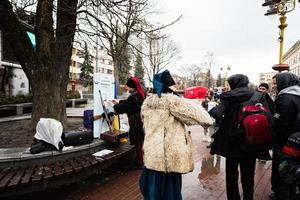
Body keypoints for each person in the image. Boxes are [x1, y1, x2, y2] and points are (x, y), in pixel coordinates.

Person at [139, 70, 213, 200]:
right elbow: (205, 119)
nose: (176, 88)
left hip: (153, 155)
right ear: (168, 86)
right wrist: (190, 103)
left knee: (152, 193)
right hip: (169, 159)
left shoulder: (147, 102)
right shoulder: (172, 101)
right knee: (170, 194)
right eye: (174, 85)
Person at [210, 74, 271, 200]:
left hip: (232, 143)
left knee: (231, 176)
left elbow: (216, 113)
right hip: (251, 142)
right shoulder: (258, 96)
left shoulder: (228, 97)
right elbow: (269, 118)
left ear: (232, 84)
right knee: (248, 175)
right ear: (246, 83)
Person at [270, 72, 300, 200]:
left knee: (281, 169)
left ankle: (280, 193)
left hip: (284, 143)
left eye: (276, 83)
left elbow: (280, 123)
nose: (274, 86)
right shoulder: (297, 95)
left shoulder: (285, 98)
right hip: (296, 141)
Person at [113, 76, 145, 168]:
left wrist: (115, 106)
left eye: (127, 86)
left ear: (132, 87)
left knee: (138, 143)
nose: (126, 88)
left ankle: (139, 163)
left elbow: (126, 107)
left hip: (136, 124)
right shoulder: (139, 94)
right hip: (140, 123)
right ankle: (139, 161)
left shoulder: (134, 97)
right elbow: (128, 103)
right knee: (140, 142)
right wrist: (119, 102)